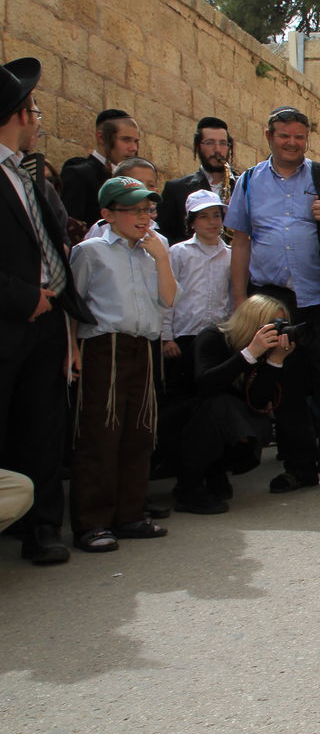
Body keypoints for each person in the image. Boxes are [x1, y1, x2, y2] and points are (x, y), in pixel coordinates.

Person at [226, 105, 320, 494]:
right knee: (287, 387)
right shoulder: (248, 182)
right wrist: (240, 300)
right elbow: (241, 242)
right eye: (284, 136)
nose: (292, 143)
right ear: (269, 137)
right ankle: (300, 468)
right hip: (276, 301)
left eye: (299, 136)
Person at [0, 57, 93, 564]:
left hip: (49, 321)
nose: (39, 120)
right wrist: (22, 296)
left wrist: (63, 314)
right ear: (19, 115)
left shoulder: (27, 173)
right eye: (34, 110)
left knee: (43, 427)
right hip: (10, 320)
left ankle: (41, 528)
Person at [69, 177, 178, 552]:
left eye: (147, 209)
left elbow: (167, 300)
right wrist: (72, 349)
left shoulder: (156, 247)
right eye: (132, 210)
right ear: (108, 214)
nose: (143, 217)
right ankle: (92, 522)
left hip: (142, 345)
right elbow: (75, 304)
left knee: (139, 432)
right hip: (104, 345)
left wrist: (162, 258)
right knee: (101, 432)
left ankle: (130, 513)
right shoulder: (91, 251)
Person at [176, 295, 294, 514]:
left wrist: (274, 361)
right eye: (274, 325)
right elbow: (206, 385)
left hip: (213, 422)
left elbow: (258, 402)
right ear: (254, 323)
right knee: (219, 405)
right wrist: (249, 353)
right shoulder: (212, 337)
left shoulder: (261, 351)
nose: (278, 332)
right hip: (179, 423)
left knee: (256, 422)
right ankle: (188, 488)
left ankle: (215, 471)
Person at [159, 191, 233, 410]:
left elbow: (229, 295)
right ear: (192, 222)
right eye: (203, 217)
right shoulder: (179, 253)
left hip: (216, 336)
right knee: (182, 395)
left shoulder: (230, 255)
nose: (212, 222)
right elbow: (167, 296)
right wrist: (167, 337)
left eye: (216, 215)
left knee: (211, 394)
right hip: (184, 335)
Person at [157, 116, 236, 244]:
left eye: (223, 143)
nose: (217, 150)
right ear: (198, 146)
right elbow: (165, 236)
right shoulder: (176, 189)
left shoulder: (244, 185)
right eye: (210, 143)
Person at [61, 108, 141, 232]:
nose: (133, 148)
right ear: (101, 138)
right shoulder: (79, 174)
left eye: (136, 141)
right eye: (126, 140)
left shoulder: (134, 180)